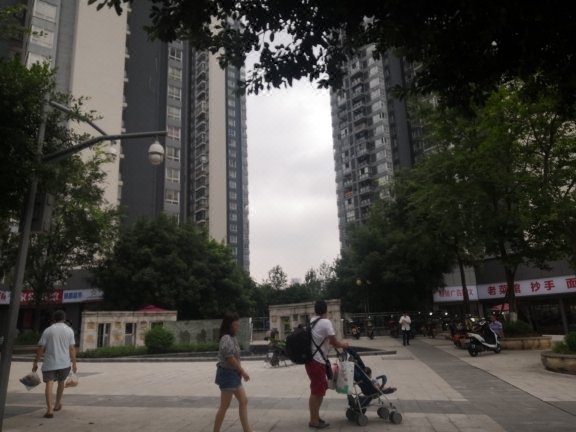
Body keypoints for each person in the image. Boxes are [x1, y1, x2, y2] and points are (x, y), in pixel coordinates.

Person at [306, 300, 349, 429]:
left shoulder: (312, 321)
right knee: (316, 391)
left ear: (315, 310)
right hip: (317, 361)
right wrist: (344, 344)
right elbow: (334, 342)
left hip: (312, 361)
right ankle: (314, 421)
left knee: (319, 389)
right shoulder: (325, 322)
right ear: (326, 310)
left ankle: (315, 417)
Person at [32, 309, 77, 419]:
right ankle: (57, 404)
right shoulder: (69, 330)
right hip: (64, 363)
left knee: (49, 383)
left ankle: (49, 410)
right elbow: (72, 348)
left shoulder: (48, 330)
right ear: (64, 319)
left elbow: (41, 348)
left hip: (50, 363)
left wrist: (35, 362)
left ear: (53, 319)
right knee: (61, 382)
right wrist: (74, 363)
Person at [213, 312, 253, 432]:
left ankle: (247, 430)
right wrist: (243, 371)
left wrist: (239, 372)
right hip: (227, 375)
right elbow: (230, 358)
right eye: (235, 325)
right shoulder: (226, 338)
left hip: (233, 375)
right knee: (224, 406)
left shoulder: (232, 338)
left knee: (243, 401)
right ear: (229, 325)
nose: (238, 327)